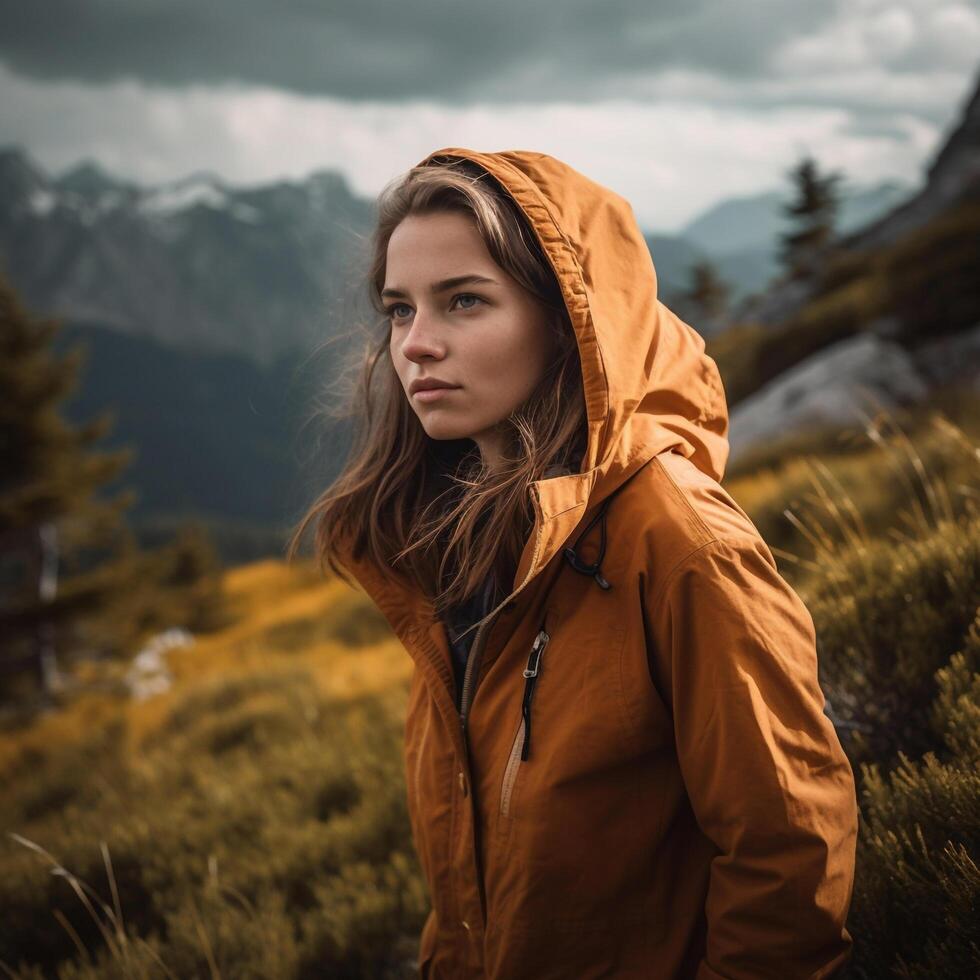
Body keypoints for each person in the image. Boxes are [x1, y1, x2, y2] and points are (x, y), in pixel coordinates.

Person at [288, 147, 859, 979]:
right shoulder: (453, 544)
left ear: (570, 319)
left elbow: (792, 858)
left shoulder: (680, 543)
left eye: (464, 302)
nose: (416, 345)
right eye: (400, 310)